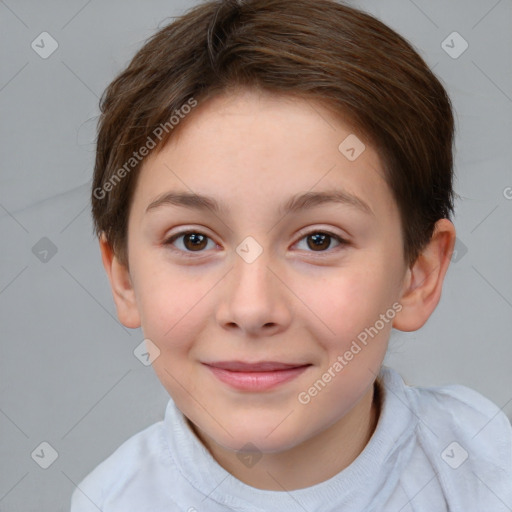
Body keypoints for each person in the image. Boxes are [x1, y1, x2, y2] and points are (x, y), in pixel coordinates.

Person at [71, 0, 512, 510]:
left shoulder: (487, 469)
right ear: (124, 276)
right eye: (193, 240)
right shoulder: (113, 501)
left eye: (319, 240)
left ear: (419, 274)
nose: (252, 309)